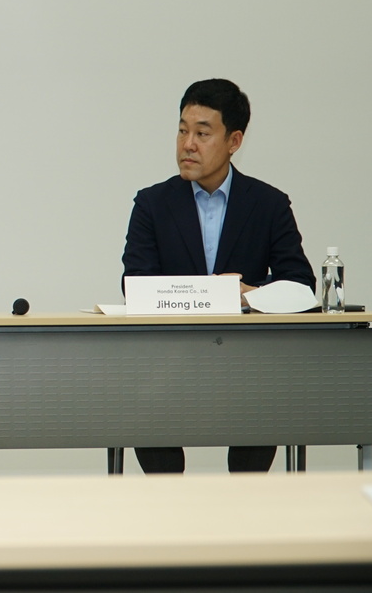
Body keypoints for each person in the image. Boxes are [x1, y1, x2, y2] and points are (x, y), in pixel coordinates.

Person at [121, 78, 315, 474]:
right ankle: (169, 504)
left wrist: (247, 294)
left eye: (202, 133)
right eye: (182, 131)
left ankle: (244, 504)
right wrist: (211, 292)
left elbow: (301, 285)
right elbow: (135, 284)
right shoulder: (152, 204)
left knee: (260, 407)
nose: (188, 144)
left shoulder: (268, 204)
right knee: (146, 402)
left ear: (234, 141)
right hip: (169, 361)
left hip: (245, 362)